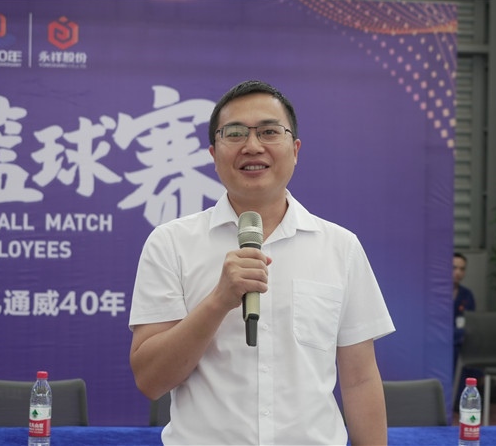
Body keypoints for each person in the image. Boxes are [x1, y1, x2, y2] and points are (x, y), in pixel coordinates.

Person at [129, 80, 395, 445]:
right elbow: (150, 380)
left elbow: (360, 379)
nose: (253, 146)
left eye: (269, 131)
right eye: (235, 133)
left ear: (295, 149)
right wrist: (218, 301)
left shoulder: (340, 247)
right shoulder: (170, 243)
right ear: (213, 154)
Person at [453, 252, 476, 372]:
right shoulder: (436, 293)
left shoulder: (467, 295)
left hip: (460, 341)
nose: (458, 272)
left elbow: (471, 321)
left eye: (462, 269)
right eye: (454, 268)